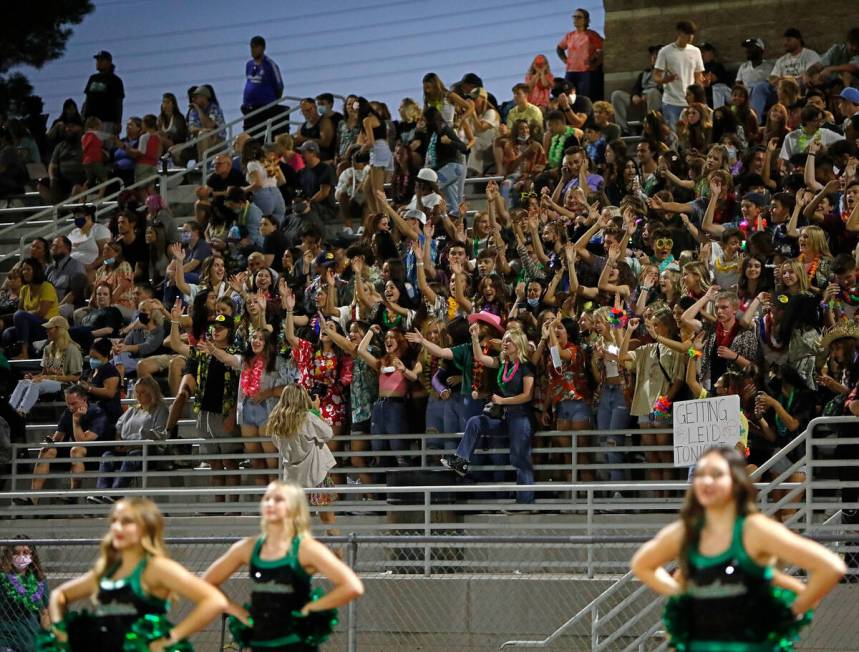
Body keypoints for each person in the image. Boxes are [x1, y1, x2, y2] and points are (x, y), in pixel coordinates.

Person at [631, 446, 845, 651]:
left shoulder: (755, 529)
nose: (707, 481)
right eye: (701, 474)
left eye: (717, 474)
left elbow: (830, 567)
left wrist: (785, 615)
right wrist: (680, 594)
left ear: (736, 482)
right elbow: (642, 565)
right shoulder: (686, 531)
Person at [42, 498, 226, 651]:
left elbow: (215, 600)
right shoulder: (107, 570)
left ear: (147, 527)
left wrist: (170, 638)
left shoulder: (157, 567)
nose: (117, 527)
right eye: (114, 521)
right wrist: (59, 628)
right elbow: (60, 594)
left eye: (127, 522)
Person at [202, 481, 363, 651]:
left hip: (296, 643)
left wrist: (312, 607)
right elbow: (207, 582)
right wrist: (238, 612)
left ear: (294, 507)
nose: (270, 503)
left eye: (278, 499)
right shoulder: (248, 547)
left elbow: (352, 586)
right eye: (267, 499)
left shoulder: (306, 548)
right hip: (259, 642)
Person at [441, 325, 536, 505]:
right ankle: (461, 460)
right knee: (475, 422)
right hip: (504, 416)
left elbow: (527, 395)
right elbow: (480, 358)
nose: (505, 343)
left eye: (509, 340)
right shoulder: (503, 363)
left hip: (520, 417)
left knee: (519, 458)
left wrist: (502, 401)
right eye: (505, 339)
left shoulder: (526, 365)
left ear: (519, 343)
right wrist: (475, 338)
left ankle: (526, 502)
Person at [13, 384, 111, 505]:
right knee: (48, 450)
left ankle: (73, 495)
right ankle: (33, 498)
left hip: (95, 453)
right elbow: (58, 438)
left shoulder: (97, 412)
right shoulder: (68, 412)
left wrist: (76, 421)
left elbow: (83, 441)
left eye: (74, 403)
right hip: (74, 451)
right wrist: (50, 442)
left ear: (84, 400)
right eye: (68, 404)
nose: (70, 407)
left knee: (76, 450)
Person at [265, 386, 339, 532]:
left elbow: (276, 443)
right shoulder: (308, 418)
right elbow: (328, 433)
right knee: (329, 519)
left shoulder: (276, 421)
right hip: (317, 476)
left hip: (293, 479)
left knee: (295, 522)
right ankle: (337, 553)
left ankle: (296, 552)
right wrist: (316, 410)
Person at [87, 376, 168, 504]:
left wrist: (135, 445)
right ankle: (101, 491)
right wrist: (119, 441)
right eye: (137, 392)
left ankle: (116, 492)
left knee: (132, 457)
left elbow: (158, 434)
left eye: (143, 392)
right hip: (126, 447)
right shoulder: (133, 409)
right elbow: (119, 427)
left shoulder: (160, 409)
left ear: (152, 393)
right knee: (107, 456)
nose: (139, 396)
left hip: (147, 449)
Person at [8, 315, 82, 416]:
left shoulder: (72, 349)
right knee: (24, 382)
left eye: (49, 329)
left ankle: (21, 412)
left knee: (35, 384)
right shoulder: (48, 348)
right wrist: (35, 376)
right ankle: (9, 411)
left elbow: (76, 377)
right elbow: (45, 373)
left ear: (59, 330)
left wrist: (49, 377)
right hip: (49, 381)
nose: (46, 331)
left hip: (65, 385)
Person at [0, 536, 50, 652]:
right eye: (16, 553)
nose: (21, 556)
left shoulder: (40, 581)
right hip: (7, 641)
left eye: (26, 552)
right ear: (9, 555)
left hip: (31, 641)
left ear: (32, 556)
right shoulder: (2, 579)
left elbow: (45, 614)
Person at [2, 258, 59, 359]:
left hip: (48, 325)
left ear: (36, 270)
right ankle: (7, 357)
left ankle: (24, 353)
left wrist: (23, 314)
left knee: (20, 315)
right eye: (23, 269)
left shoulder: (47, 287)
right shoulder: (24, 289)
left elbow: (41, 312)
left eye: (28, 269)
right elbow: (18, 312)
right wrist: (3, 318)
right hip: (29, 325)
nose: (25, 272)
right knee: (8, 333)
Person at [653, 21, 705, 131]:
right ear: (680, 33)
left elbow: (698, 76)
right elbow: (656, 76)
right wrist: (664, 80)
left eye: (692, 34)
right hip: (672, 101)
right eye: (688, 34)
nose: (691, 37)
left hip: (691, 101)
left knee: (693, 132)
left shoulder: (695, 51)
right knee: (675, 135)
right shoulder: (665, 51)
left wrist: (702, 83)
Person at [555, 8, 604, 99]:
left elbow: (603, 49)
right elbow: (559, 49)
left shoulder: (591, 35)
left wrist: (597, 63)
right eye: (574, 17)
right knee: (570, 97)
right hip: (571, 71)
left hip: (586, 71)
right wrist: (565, 60)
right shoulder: (569, 35)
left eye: (579, 17)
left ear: (586, 20)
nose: (575, 19)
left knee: (584, 97)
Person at [242, 35, 285, 132]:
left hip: (265, 108)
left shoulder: (270, 65)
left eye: (256, 47)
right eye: (252, 47)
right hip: (249, 107)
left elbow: (279, 86)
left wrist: (272, 103)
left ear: (262, 48)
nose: (253, 50)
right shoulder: (249, 64)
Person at [82, 51, 125, 137]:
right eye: (97, 60)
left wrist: (118, 122)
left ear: (108, 62)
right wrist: (83, 116)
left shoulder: (115, 80)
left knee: (104, 146)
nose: (98, 62)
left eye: (101, 60)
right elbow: (87, 99)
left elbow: (119, 102)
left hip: (106, 121)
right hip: (90, 120)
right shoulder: (93, 78)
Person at [46, 236, 88, 323]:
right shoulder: (50, 268)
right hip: (49, 304)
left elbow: (73, 293)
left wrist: (55, 308)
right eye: (52, 246)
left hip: (69, 305)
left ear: (67, 249)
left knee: (59, 311)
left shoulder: (76, 266)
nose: (53, 249)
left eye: (57, 246)